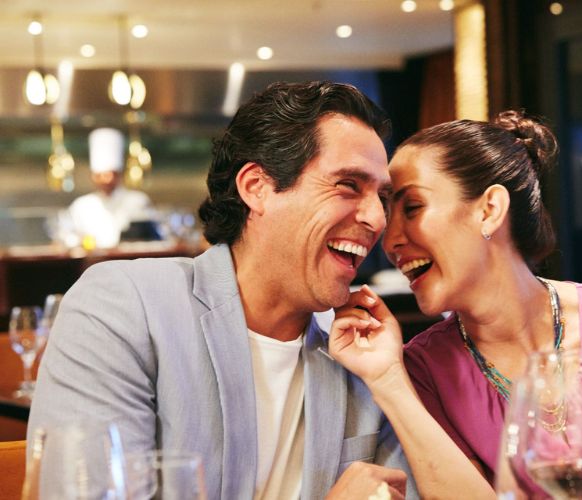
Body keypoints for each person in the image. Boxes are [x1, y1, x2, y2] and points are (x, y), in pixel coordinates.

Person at [28, 81, 418, 500]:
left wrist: (392, 380)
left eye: (383, 196)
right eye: (348, 185)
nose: (378, 219)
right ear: (257, 187)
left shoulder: (360, 348)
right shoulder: (122, 307)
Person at [328, 110, 582, 498]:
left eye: (412, 207)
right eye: (388, 211)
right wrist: (388, 382)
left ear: (489, 210)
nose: (390, 237)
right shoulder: (423, 370)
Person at [60, 127, 154, 248]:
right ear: (92, 176)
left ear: (120, 174)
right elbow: (66, 236)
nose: (106, 179)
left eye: (111, 174)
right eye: (100, 175)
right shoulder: (81, 205)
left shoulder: (138, 200)